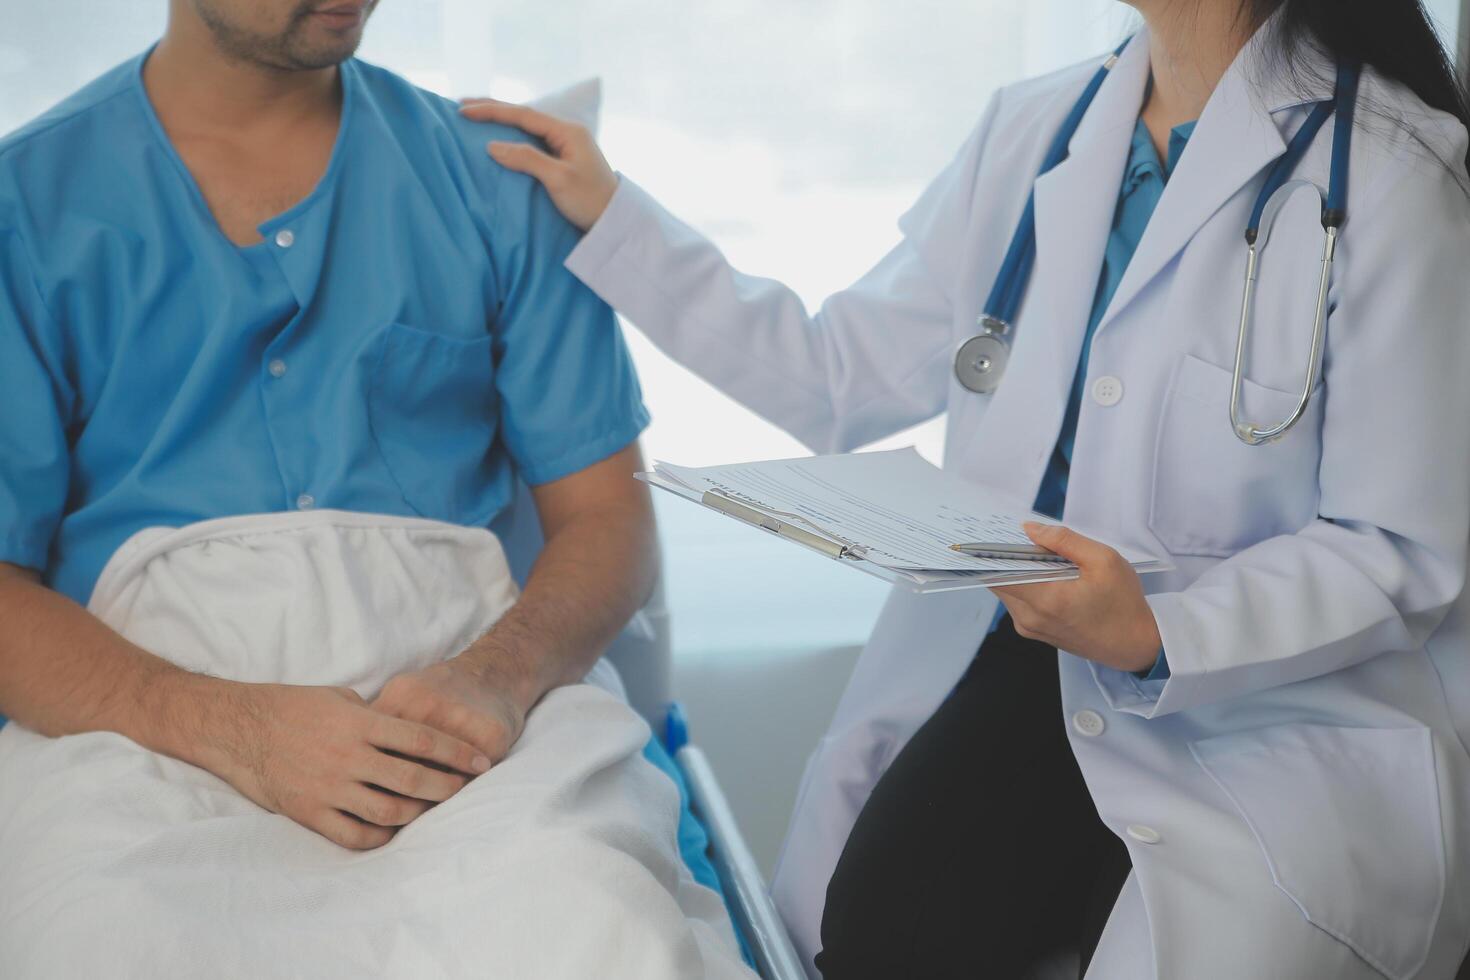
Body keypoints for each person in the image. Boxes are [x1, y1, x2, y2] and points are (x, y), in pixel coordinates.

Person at [463, 0, 1470, 976]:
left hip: (1268, 695)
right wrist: (614, 212)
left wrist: (1165, 630)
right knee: (876, 940)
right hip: (1035, 661)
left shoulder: (1390, 170)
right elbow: (836, 376)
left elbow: (1400, 546)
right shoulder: (1039, 131)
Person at [0, 0, 657, 851]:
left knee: (599, 930)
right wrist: (239, 732)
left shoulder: (496, 184)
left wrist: (495, 678)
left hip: (468, 723)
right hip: (138, 732)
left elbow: (611, 516)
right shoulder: (25, 211)